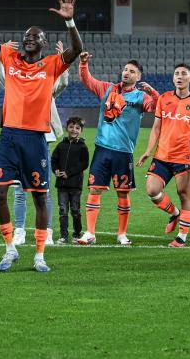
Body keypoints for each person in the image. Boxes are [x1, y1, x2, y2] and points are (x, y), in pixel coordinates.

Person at [0, 0, 83, 273]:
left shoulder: (52, 64)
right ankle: (10, 249)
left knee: (40, 197)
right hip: (8, 136)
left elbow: (76, 50)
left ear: (44, 43)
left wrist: (70, 22)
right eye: (26, 36)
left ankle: (40, 254)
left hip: (35, 138)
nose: (29, 39)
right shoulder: (9, 57)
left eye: (35, 36)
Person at [77, 52, 158, 246]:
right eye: (125, 69)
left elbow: (158, 107)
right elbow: (88, 80)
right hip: (102, 148)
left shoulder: (140, 96)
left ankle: (122, 234)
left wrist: (154, 93)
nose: (126, 73)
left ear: (138, 77)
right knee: (94, 189)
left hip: (123, 151)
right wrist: (83, 63)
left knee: (123, 192)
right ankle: (90, 233)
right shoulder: (108, 88)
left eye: (132, 71)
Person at [0, 40, 67, 246]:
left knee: (41, 189)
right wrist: (0, 55)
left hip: (41, 133)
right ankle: (19, 230)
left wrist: (63, 64)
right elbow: (1, 75)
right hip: (15, 132)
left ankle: (47, 230)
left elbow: (62, 83)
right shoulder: (15, 78)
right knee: (18, 188)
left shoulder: (48, 80)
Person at [137, 64, 190, 248]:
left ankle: (181, 237)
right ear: (173, 78)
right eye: (177, 73)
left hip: (183, 158)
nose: (180, 76)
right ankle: (174, 213)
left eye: (184, 74)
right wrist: (147, 151)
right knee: (152, 190)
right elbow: (156, 128)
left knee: (184, 194)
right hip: (161, 156)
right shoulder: (164, 98)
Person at [51, 117, 89, 244]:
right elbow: (53, 160)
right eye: (71, 127)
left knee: (75, 210)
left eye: (77, 128)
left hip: (75, 185)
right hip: (61, 185)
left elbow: (84, 164)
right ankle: (63, 235)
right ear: (67, 128)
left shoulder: (82, 147)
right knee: (63, 211)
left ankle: (77, 234)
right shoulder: (61, 145)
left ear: (81, 130)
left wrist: (69, 173)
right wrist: (55, 170)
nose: (74, 130)